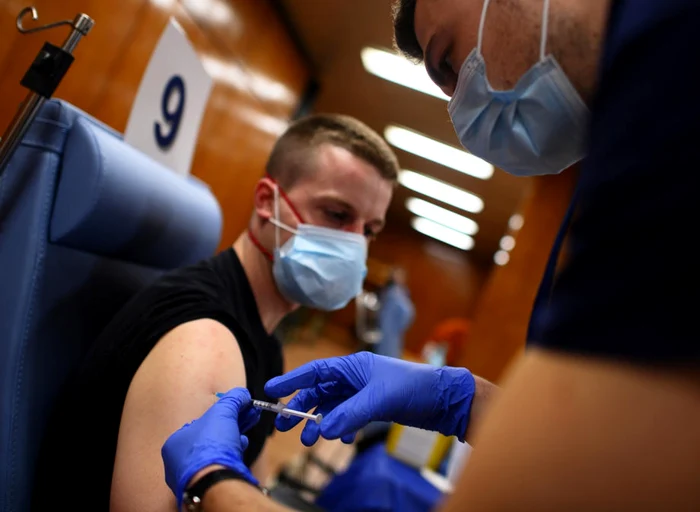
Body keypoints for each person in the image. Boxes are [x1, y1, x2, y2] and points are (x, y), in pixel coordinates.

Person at [161, 0, 700, 509]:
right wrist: (460, 399)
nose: (460, 107)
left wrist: (214, 485)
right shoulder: (637, 127)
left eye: (448, 56)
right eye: (337, 215)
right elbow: (599, 448)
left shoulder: (675, 72)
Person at [32, 114, 399, 511]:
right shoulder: (206, 340)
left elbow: (254, 486)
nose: (355, 244)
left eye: (369, 230)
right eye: (337, 214)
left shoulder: (264, 338)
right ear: (266, 202)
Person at [375, 267, 414, 359]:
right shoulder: (392, 291)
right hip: (386, 323)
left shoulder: (401, 292)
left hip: (392, 326)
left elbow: (407, 312)